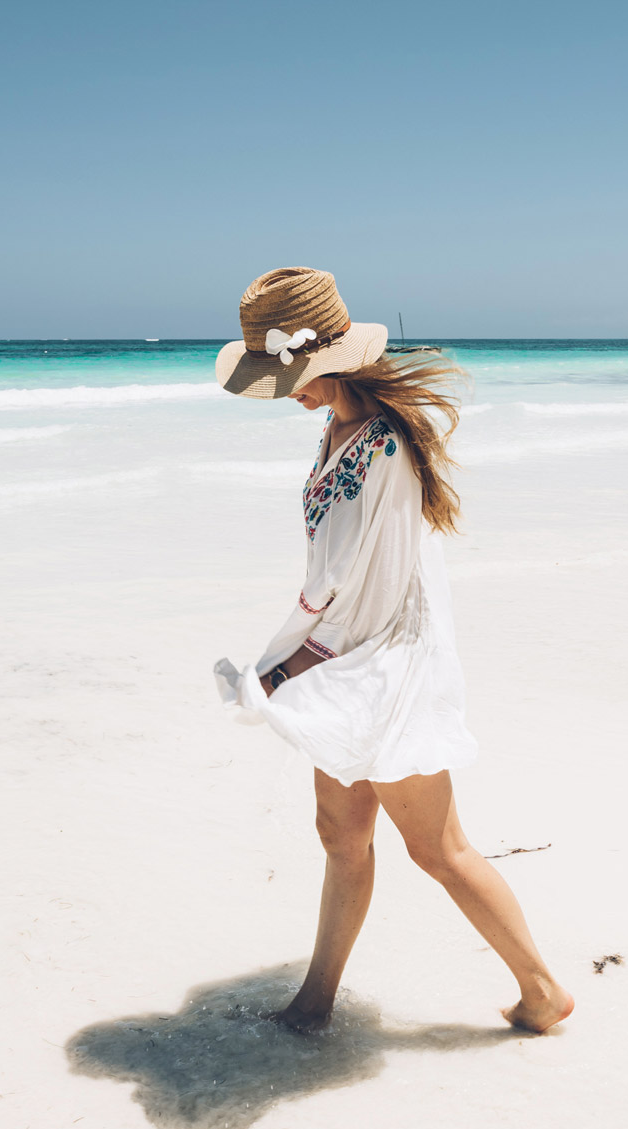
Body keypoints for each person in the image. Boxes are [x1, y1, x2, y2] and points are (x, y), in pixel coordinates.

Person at [211, 267, 573, 1035]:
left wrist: (286, 668)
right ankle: (314, 1003)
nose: (289, 393)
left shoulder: (381, 445)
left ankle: (543, 990)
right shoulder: (339, 430)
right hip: (345, 658)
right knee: (341, 838)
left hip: (382, 663)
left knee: (437, 849)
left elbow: (351, 583)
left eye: (295, 377)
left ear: (333, 361)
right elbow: (335, 572)